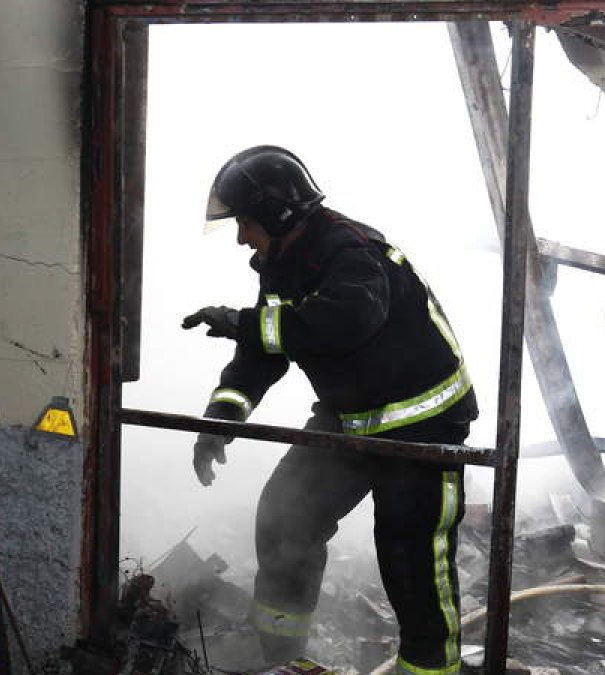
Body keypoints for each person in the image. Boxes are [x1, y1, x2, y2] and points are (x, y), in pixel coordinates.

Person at [182, 145, 478, 674]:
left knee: (411, 564)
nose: (241, 236)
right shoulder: (279, 262)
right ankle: (282, 659)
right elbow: (265, 348)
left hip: (422, 426)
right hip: (349, 419)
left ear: (277, 214)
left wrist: (238, 321)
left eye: (246, 221)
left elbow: (342, 323)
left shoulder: (351, 252)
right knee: (284, 520)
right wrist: (220, 419)